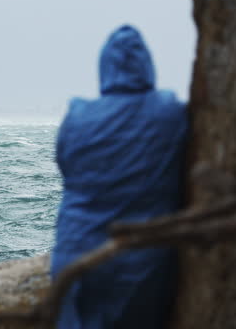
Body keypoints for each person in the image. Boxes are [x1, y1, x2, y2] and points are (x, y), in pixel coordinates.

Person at [52, 25, 188, 329]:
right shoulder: (168, 113)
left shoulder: (77, 116)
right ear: (147, 66)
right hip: (140, 263)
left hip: (75, 251)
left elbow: (66, 166)